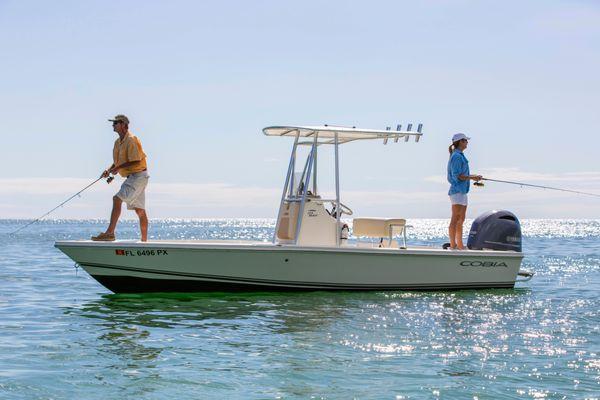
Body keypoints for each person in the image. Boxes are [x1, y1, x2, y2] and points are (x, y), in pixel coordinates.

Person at [91, 115, 149, 242]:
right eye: (113, 123)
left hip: (138, 176)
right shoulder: (117, 143)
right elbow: (118, 163)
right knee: (139, 210)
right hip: (134, 177)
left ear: (124, 125)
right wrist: (109, 170)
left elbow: (136, 161)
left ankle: (110, 233)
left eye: (116, 123)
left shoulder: (132, 139)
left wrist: (117, 169)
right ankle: (144, 242)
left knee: (117, 199)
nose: (113, 125)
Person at [447, 133, 482, 250]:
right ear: (460, 142)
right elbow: (458, 176)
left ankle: (460, 245)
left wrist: (473, 177)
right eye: (465, 140)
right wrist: (472, 177)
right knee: (455, 218)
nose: (467, 142)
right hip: (457, 191)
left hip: (462, 192)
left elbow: (463, 175)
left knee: (461, 219)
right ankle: (454, 245)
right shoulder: (456, 156)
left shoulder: (459, 155)